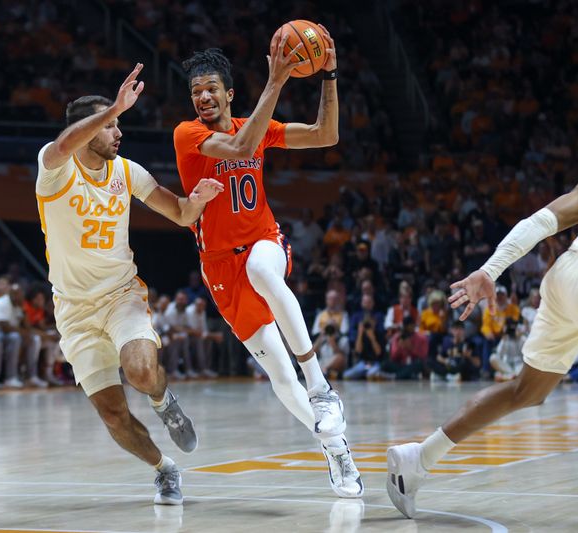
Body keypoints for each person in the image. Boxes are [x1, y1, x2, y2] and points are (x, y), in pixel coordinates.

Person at [173, 31, 363, 497]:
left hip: (263, 239)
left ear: (229, 92)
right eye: (196, 90)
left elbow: (327, 134)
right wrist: (276, 83)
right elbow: (238, 149)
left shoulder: (253, 122)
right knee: (278, 374)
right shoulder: (188, 134)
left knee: (263, 269)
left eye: (211, 87)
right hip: (218, 267)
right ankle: (335, 447)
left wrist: (330, 76)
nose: (203, 96)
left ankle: (321, 389)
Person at [36, 64, 223, 505]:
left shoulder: (127, 171)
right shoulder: (55, 169)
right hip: (73, 311)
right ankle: (165, 469)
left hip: (121, 294)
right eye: (110, 125)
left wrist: (196, 202)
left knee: (141, 371)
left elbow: (178, 213)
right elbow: (63, 146)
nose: (117, 131)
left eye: (118, 123)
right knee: (114, 415)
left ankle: (163, 400)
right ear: (87, 130)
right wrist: (111, 108)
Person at [387, 173, 578, 518]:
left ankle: (419, 459)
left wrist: (489, 270)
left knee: (526, 391)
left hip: (566, 273)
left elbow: (540, 222)